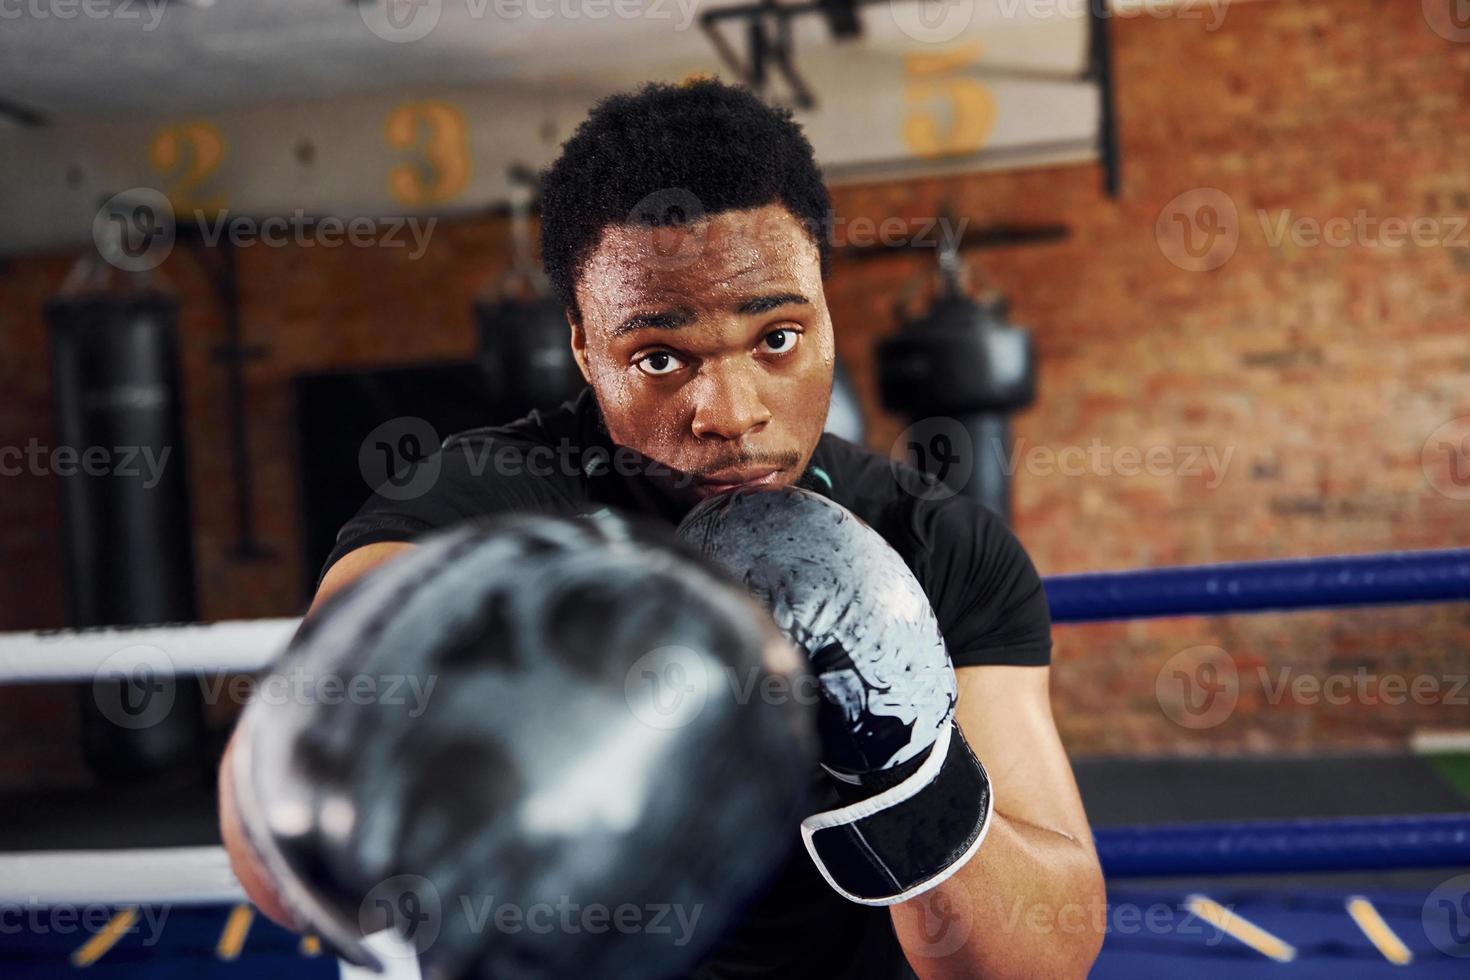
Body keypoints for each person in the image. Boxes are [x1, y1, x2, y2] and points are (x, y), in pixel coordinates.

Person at [222, 78, 1105, 979]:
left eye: (776, 338)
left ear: (828, 316)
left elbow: (1044, 959)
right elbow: (275, 835)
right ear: (581, 348)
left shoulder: (938, 545)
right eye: (658, 357)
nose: (730, 413)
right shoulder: (483, 502)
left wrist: (904, 769)